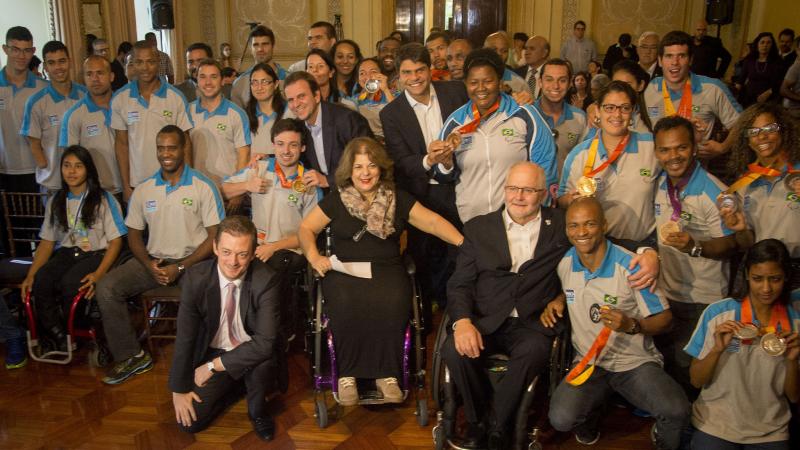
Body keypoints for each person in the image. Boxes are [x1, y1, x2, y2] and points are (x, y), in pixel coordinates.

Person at [297, 137, 463, 406]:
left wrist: (462, 243)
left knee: (393, 300)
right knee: (345, 301)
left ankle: (387, 375)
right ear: (349, 170)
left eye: (371, 166)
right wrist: (314, 256)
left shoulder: (396, 198)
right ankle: (347, 375)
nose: (365, 173)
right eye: (359, 166)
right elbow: (306, 229)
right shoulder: (337, 200)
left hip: (387, 268)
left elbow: (431, 221)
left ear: (381, 168)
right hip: (344, 270)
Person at [442, 162, 569, 450]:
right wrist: (462, 322)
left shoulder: (561, 225)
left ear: (544, 194)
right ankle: (479, 422)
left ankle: (496, 428)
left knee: (535, 350)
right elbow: (460, 283)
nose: (518, 196)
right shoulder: (478, 228)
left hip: (533, 321)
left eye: (528, 190)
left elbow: (596, 247)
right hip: (485, 317)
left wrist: (562, 297)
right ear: (504, 189)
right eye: (513, 188)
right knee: (454, 349)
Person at [547, 197, 690, 450]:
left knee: (677, 411)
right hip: (588, 361)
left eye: (589, 224)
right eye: (574, 226)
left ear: (604, 225)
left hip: (633, 363)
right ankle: (590, 418)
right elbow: (571, 289)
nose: (581, 232)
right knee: (560, 419)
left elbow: (665, 319)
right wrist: (558, 299)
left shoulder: (632, 266)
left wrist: (633, 325)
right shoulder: (565, 263)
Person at [96, 125, 223, 385]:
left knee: (201, 294)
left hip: (194, 261)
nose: (166, 154)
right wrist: (148, 263)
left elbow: (215, 236)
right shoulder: (144, 189)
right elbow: (133, 234)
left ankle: (202, 361)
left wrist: (182, 267)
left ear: (183, 149)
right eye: (161, 148)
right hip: (153, 261)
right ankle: (133, 356)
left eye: (172, 148)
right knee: (107, 287)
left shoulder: (203, 185)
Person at [169, 216, 282, 441]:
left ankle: (258, 412)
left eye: (242, 254)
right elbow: (185, 336)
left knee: (262, 362)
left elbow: (264, 343)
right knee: (191, 423)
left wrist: (211, 367)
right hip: (213, 350)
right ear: (215, 248)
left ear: (252, 253)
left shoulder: (266, 280)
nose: (233, 262)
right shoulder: (195, 278)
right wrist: (179, 388)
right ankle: (236, 384)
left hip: (252, 351)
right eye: (226, 252)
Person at [651, 116, 740, 396]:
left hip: (702, 298)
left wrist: (695, 246)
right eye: (665, 150)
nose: (673, 156)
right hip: (668, 291)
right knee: (671, 364)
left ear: (694, 147)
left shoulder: (715, 191)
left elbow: (731, 243)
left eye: (681, 148)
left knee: (691, 371)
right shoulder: (659, 183)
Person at [685, 238, 799, 449]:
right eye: (758, 278)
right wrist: (717, 350)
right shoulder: (717, 314)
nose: (766, 288)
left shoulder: (795, 324)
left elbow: (794, 396)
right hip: (716, 424)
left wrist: (792, 361)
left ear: (786, 278)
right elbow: (695, 380)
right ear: (746, 274)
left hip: (771, 430)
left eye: (775, 279)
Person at [380, 42, 467, 311]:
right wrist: (430, 159)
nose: (414, 78)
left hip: (458, 186)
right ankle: (427, 308)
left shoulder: (456, 91)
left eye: (419, 70)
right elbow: (402, 162)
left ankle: (455, 306)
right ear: (398, 76)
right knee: (425, 256)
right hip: (421, 192)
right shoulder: (391, 113)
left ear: (430, 70)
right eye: (407, 73)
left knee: (459, 251)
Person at [20, 146, 126, 351]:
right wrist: (31, 275)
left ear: (88, 169)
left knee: (71, 284)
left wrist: (98, 274)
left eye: (78, 166)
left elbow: (116, 242)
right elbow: (47, 242)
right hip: (68, 252)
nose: (72, 171)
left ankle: (76, 330)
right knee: (42, 280)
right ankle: (56, 333)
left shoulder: (103, 199)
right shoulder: (55, 201)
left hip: (95, 254)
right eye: (67, 166)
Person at [433, 48, 557, 224]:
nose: (481, 88)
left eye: (488, 81)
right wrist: (445, 164)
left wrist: (540, 213)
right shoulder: (455, 122)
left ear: (499, 82)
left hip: (520, 220)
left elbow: (546, 165)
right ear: (466, 84)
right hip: (472, 223)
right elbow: (442, 175)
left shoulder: (524, 114)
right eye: (474, 82)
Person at [559, 81, 661, 251]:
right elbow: (561, 199)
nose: (617, 115)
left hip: (643, 246)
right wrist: (572, 200)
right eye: (609, 108)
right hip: (598, 247)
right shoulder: (579, 154)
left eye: (625, 108)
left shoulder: (651, 146)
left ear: (634, 111)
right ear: (598, 110)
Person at [721, 102, 800, 286]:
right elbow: (746, 243)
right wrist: (740, 230)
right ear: (747, 140)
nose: (762, 136)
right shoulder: (745, 183)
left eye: (769, 128)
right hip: (762, 271)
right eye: (753, 132)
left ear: (783, 130)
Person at [111, 40, 193, 201]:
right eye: (139, 62)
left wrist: (188, 180)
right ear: (133, 64)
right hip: (138, 183)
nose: (145, 67)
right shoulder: (120, 98)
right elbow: (121, 144)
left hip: (172, 181)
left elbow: (186, 142)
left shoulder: (175, 97)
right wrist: (126, 186)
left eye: (150, 62)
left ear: (158, 63)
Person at [644, 31, 742, 164]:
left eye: (681, 56)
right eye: (669, 56)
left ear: (690, 60)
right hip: (658, 168)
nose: (675, 62)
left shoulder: (713, 89)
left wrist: (722, 148)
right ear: (660, 61)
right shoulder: (650, 88)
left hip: (695, 169)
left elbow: (741, 123)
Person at [283, 71, 372, 190]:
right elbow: (288, 151)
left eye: (301, 96)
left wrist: (328, 181)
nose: (296, 104)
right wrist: (265, 158)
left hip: (358, 192)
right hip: (324, 196)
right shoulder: (299, 127)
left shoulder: (347, 120)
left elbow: (370, 162)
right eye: (290, 100)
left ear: (317, 96)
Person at [21, 40, 88, 193]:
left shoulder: (85, 95)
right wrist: (47, 166)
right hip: (53, 185)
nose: (58, 67)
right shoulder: (36, 102)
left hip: (84, 182)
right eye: (52, 63)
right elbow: (33, 142)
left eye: (62, 61)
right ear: (45, 67)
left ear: (69, 62)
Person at [59, 55, 123, 196]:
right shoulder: (73, 115)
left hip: (130, 187)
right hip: (96, 193)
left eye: (100, 73)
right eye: (89, 74)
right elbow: (70, 160)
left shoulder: (125, 106)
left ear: (111, 76)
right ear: (84, 78)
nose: (95, 79)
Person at [188, 59, 250, 192]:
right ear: (197, 81)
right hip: (196, 191)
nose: (208, 82)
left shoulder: (237, 114)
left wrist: (237, 191)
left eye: (214, 77)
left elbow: (243, 156)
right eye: (203, 77)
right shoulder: (187, 112)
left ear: (222, 81)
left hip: (227, 192)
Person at [0, 26, 47, 195]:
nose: (21, 56)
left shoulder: (43, 89)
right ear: (5, 49)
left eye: (26, 50)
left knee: (38, 221)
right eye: (15, 50)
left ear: (33, 51)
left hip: (38, 169)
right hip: (3, 170)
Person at [534, 58, 587, 178]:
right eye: (549, 79)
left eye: (562, 80)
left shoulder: (580, 118)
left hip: (566, 192)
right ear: (540, 82)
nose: (555, 86)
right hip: (532, 193)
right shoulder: (527, 115)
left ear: (569, 84)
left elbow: (585, 160)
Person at [231, 26, 286, 109]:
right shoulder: (239, 84)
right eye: (256, 45)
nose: (260, 49)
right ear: (251, 48)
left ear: (273, 45)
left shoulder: (290, 79)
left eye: (265, 44)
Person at [245, 63, 285, 156]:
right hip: (251, 169)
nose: (259, 87)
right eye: (254, 82)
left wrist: (269, 157)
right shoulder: (245, 115)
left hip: (281, 169)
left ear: (276, 84)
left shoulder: (288, 113)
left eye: (264, 82)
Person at [735, 32, 784, 107]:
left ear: (772, 45)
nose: (765, 45)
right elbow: (741, 80)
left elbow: (779, 83)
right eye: (762, 42)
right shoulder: (749, 60)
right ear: (757, 44)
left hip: (768, 99)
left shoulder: (777, 61)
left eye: (768, 43)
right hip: (748, 97)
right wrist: (733, 94)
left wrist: (768, 93)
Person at [351, 57, 395, 139]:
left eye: (373, 72)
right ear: (357, 79)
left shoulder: (394, 95)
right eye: (362, 73)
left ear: (382, 74)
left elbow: (399, 117)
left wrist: (385, 90)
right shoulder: (353, 100)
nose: (368, 77)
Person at [611, 59, 653, 134]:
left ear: (641, 85)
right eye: (617, 85)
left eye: (628, 85)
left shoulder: (652, 110)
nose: (622, 90)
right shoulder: (603, 113)